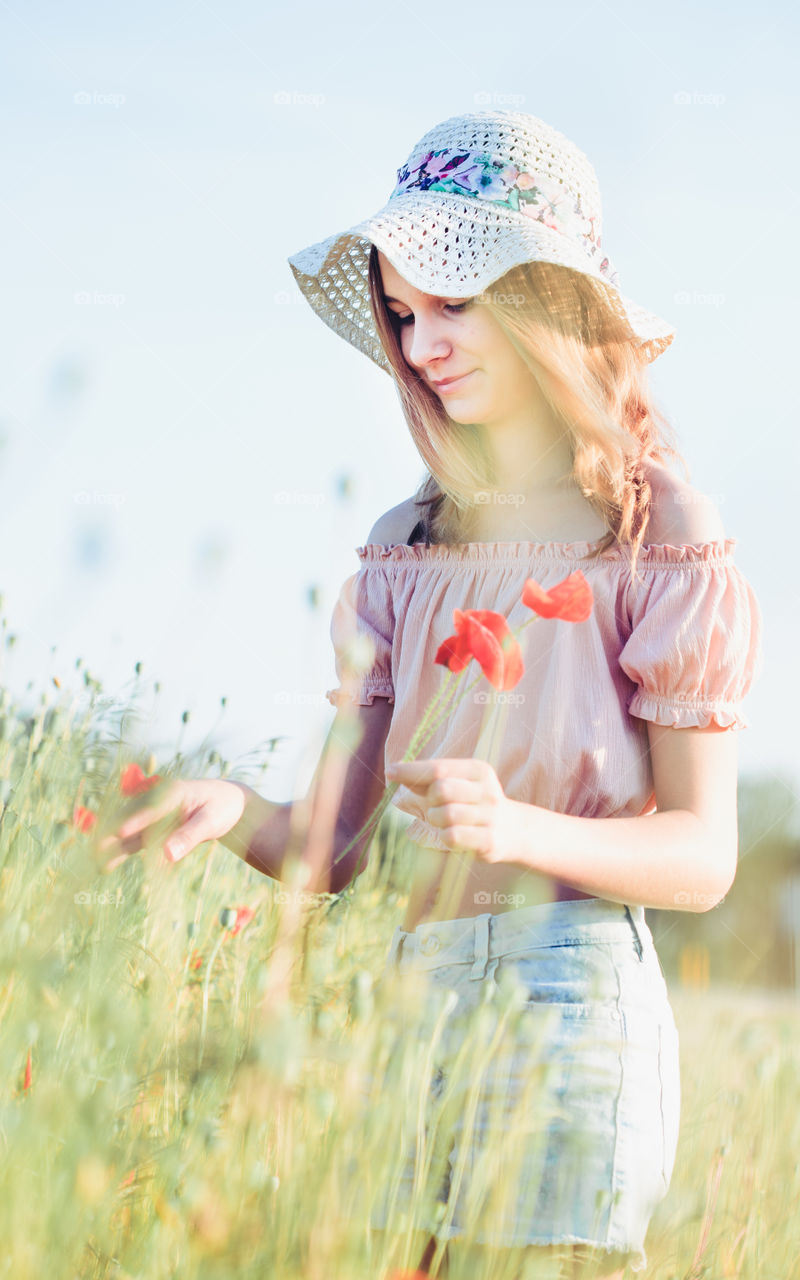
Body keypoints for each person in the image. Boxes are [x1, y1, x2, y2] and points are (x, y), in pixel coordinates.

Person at [97, 111, 764, 1279]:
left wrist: (512, 826)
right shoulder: (402, 545)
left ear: (544, 303)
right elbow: (336, 846)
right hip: (410, 1003)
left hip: (571, 996)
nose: (421, 345)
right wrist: (228, 808)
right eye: (402, 312)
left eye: (453, 304)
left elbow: (702, 856)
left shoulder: (654, 533)